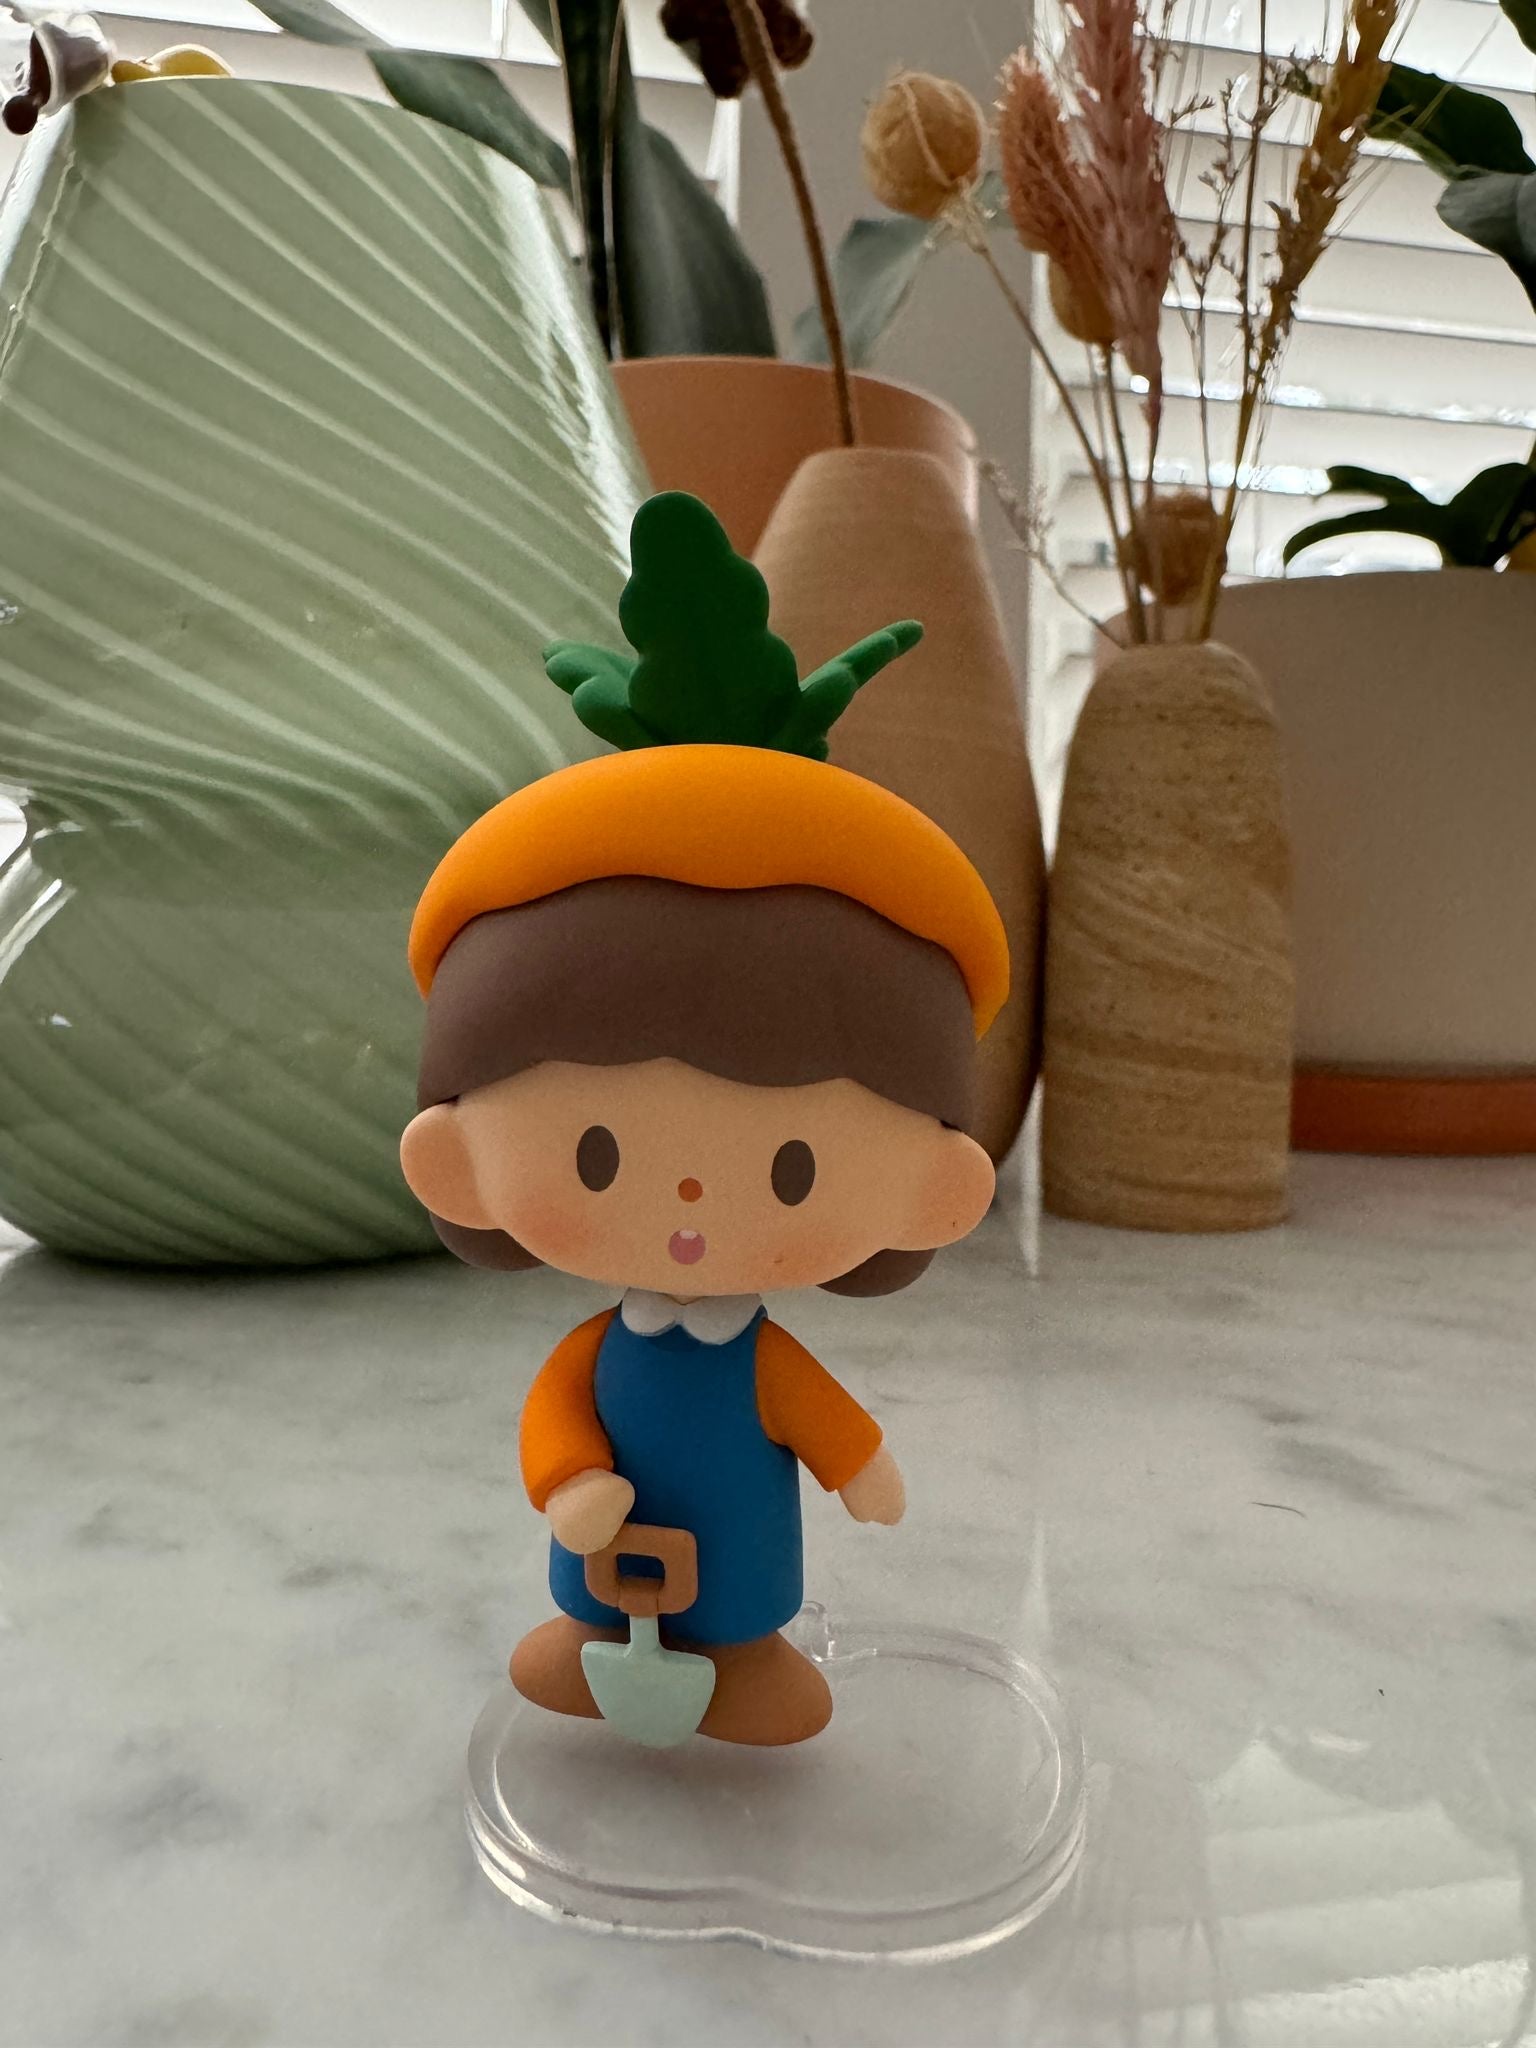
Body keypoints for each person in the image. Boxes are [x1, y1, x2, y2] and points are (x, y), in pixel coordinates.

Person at [400, 493, 1008, 1745]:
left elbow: (814, 1413)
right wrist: (571, 1477)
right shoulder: (601, 1349)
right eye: (598, 1154)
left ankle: (740, 1659)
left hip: (735, 1558)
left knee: (733, 1598)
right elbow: (556, 1412)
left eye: (792, 1168)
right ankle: (589, 1646)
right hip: (604, 1547)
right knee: (593, 1596)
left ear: (938, 1186)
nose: (686, 1203)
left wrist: (859, 1463)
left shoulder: (756, 1359)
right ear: (453, 1160)